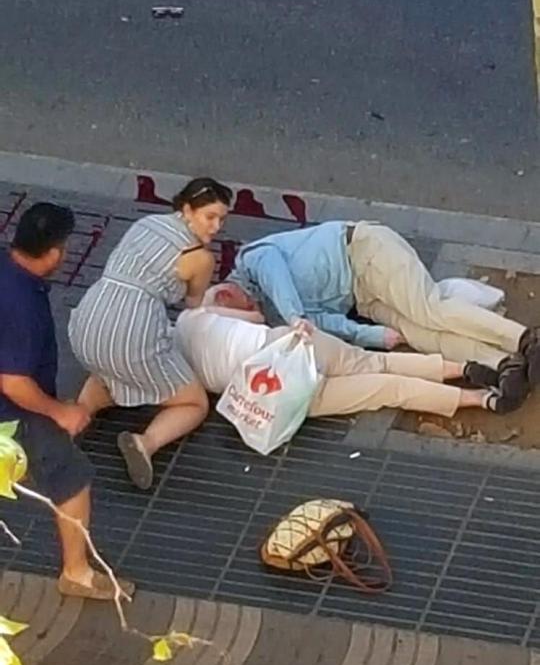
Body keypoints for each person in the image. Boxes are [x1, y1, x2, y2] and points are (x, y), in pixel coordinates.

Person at [0, 203, 134, 600]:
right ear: (55, 252)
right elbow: (14, 383)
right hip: (12, 415)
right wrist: (62, 412)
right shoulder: (22, 305)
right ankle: (75, 573)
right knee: (71, 475)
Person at [69, 177, 232, 490]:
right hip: (132, 331)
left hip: (88, 318)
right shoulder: (200, 257)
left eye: (221, 219)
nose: (215, 227)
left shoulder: (148, 222)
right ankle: (145, 442)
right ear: (187, 210)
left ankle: (73, 420)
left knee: (105, 372)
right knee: (193, 403)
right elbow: (194, 306)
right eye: (209, 217)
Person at [226, 220, 540, 375]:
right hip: (361, 298)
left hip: (362, 251)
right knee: (418, 335)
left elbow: (278, 276)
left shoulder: (252, 259)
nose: (251, 317)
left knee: (429, 309)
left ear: (229, 294)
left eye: (242, 314)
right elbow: (319, 321)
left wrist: (294, 317)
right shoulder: (271, 313)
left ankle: (523, 339)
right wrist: (372, 335)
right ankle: (500, 365)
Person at [173, 286, 530, 420]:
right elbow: (253, 316)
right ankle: (464, 367)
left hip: (282, 393)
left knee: (389, 391)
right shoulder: (194, 315)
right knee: (376, 361)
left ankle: (482, 400)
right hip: (290, 344)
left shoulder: (178, 375)